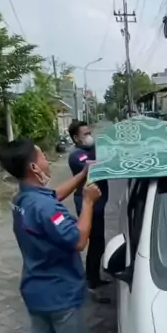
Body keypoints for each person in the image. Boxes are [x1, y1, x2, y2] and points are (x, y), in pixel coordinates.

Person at [0, 138, 103, 333]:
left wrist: (82, 176)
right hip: (60, 293)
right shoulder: (46, 209)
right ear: (34, 167)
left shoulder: (22, 200)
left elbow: (52, 196)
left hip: (35, 291)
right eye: (42, 156)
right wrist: (88, 202)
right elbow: (78, 240)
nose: (46, 159)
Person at [68, 120, 109, 296]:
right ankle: (90, 280)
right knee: (95, 242)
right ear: (76, 138)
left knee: (99, 242)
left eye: (89, 133)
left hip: (98, 203)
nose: (89, 137)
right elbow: (94, 167)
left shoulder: (91, 150)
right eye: (85, 134)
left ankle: (94, 277)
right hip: (88, 204)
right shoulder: (77, 156)